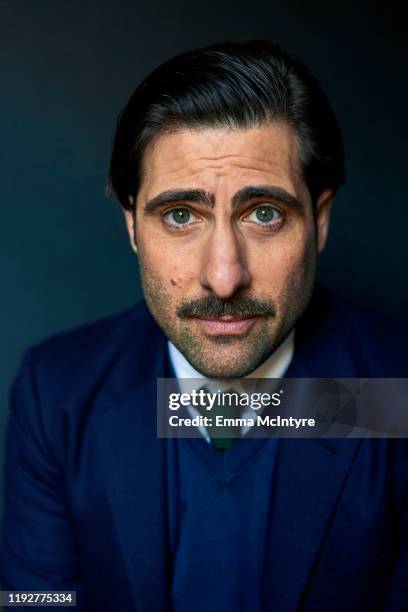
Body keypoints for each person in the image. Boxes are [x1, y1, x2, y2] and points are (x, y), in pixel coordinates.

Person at [1, 41, 407, 611]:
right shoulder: (58, 391)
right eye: (180, 215)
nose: (223, 277)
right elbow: (34, 602)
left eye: (264, 213)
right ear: (134, 228)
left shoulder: (398, 393)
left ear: (318, 221)